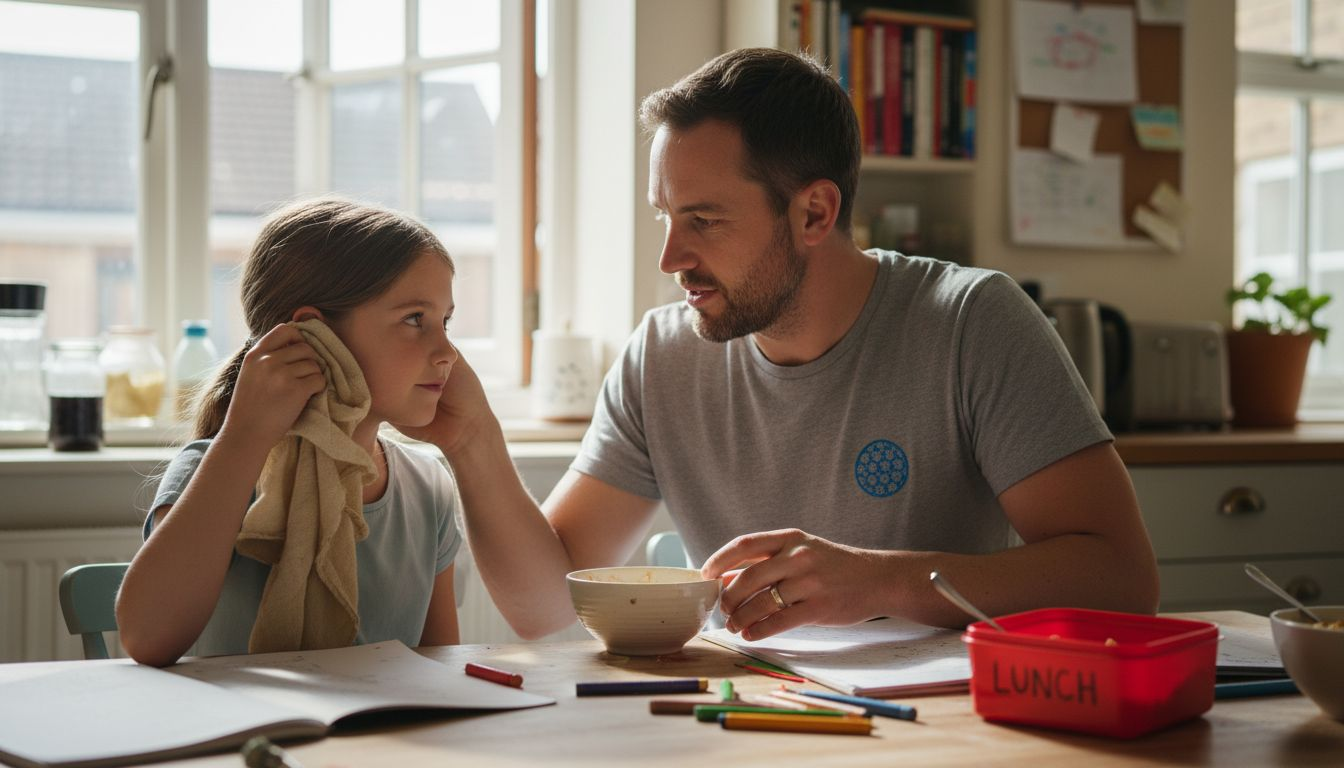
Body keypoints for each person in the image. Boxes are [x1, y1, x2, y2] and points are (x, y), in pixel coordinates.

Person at [431, 48, 1160, 644]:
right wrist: (473, 442)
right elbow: (547, 605)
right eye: (665, 216)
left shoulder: (971, 321)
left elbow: (1122, 581)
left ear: (814, 212)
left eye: (704, 220)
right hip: (735, 721)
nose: (670, 258)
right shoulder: (662, 356)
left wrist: (880, 581)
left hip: (935, 729)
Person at [116, 198, 464, 666]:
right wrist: (242, 437)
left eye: (445, 321)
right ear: (313, 336)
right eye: (414, 320)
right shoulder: (216, 468)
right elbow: (146, 638)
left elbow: (438, 670)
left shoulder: (429, 488)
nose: (447, 351)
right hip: (243, 738)